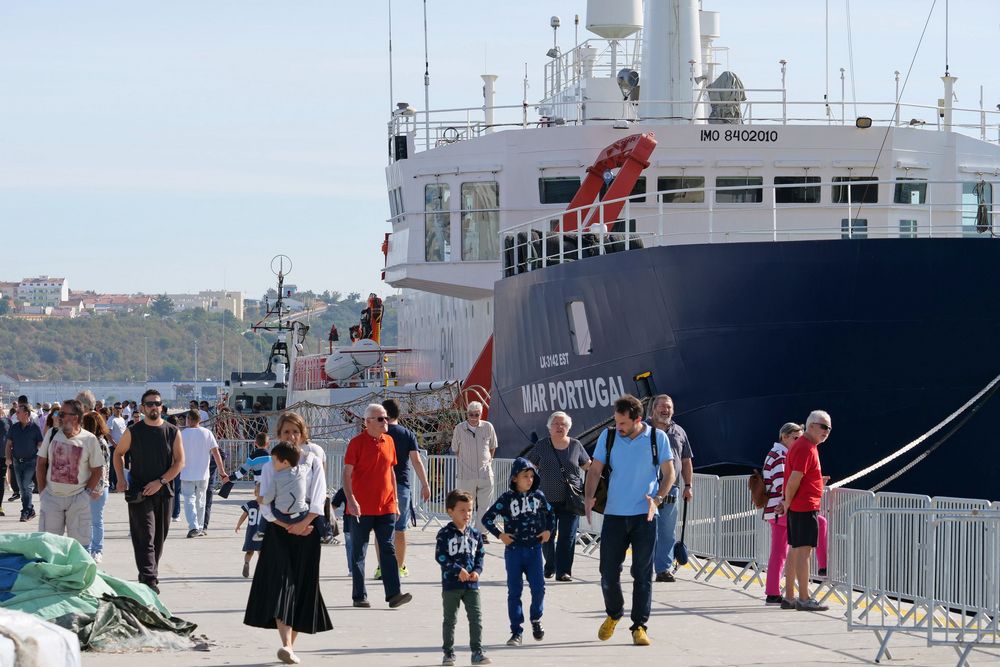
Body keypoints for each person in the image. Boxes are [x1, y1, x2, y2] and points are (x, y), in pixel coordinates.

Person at [584, 395, 675, 647]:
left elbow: (669, 474)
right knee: (607, 571)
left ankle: (639, 626)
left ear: (637, 419)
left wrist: (657, 499)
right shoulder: (609, 437)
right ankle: (614, 613)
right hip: (614, 514)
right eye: (617, 421)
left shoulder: (658, 438)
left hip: (644, 515)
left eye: (623, 423)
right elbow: (595, 469)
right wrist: (588, 498)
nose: (618, 427)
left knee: (643, 573)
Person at [244, 411, 332, 665]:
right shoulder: (271, 463)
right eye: (286, 432)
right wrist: (285, 524)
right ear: (278, 436)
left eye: (295, 431)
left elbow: (318, 497)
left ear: (303, 434)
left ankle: (290, 646)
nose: (291, 436)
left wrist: (304, 524)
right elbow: (265, 503)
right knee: (282, 585)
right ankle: (285, 644)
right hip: (278, 532)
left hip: (308, 531)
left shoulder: (313, 461)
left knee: (303, 587)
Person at [113, 389, 185, 593]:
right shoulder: (134, 431)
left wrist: (160, 482)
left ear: (161, 406)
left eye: (157, 403)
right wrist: (120, 479)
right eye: (150, 404)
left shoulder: (172, 431)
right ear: (142, 407)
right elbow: (118, 453)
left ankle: (147, 572)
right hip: (139, 492)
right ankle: (149, 580)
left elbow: (180, 462)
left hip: (163, 491)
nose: (154, 407)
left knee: (158, 539)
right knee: (145, 535)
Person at [343, 403, 413, 609]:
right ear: (367, 422)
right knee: (359, 552)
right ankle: (359, 596)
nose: (386, 421)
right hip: (361, 507)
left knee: (388, 549)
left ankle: (394, 594)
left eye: (386, 417)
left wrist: (396, 501)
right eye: (380, 418)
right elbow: (347, 474)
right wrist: (351, 500)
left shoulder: (389, 441)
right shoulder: (356, 443)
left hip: (386, 506)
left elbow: (391, 471)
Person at [482, 457, 555, 646]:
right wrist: (500, 535)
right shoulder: (506, 499)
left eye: (532, 476)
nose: (529, 480)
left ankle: (536, 619)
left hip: (534, 550)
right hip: (514, 551)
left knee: (539, 589)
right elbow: (487, 518)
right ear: (515, 478)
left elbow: (551, 514)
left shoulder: (538, 496)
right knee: (515, 592)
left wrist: (548, 531)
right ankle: (516, 631)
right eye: (525, 476)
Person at [776, 410, 832, 612]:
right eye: (824, 426)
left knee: (794, 550)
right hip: (804, 506)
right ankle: (804, 598)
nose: (827, 431)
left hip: (799, 505)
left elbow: (797, 476)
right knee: (804, 552)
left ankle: (790, 596)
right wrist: (788, 502)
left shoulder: (802, 446)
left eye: (829, 428)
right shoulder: (806, 447)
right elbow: (794, 479)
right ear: (811, 426)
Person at [525, 411, 591, 581]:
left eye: (563, 424)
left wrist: (590, 491)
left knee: (567, 537)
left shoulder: (576, 446)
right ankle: (551, 564)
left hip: (572, 500)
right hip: (546, 500)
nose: (560, 427)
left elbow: (589, 468)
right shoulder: (542, 446)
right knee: (547, 535)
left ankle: (563, 571)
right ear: (549, 428)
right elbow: (529, 468)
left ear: (568, 427)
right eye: (556, 424)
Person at [36, 399, 104, 550]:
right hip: (52, 499)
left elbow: (97, 469)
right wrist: (42, 493)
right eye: (58, 413)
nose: (59, 417)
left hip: (78, 500)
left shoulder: (89, 439)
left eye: (62, 414)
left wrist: (86, 494)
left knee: (81, 548)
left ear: (75, 417)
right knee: (49, 547)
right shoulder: (52, 434)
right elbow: (40, 463)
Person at [436, 489, 490, 666]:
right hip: (452, 585)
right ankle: (448, 652)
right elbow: (441, 556)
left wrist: (477, 571)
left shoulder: (475, 534)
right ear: (450, 511)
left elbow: (480, 555)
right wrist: (457, 569)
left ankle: (477, 651)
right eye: (462, 510)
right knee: (450, 620)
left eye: (469, 510)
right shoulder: (444, 534)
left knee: (476, 618)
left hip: (472, 586)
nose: (467, 514)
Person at [381, 398, 431, 578]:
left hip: (380, 485)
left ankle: (382, 567)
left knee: (382, 528)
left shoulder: (379, 433)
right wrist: (425, 485)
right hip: (402, 484)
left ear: (384, 415)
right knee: (400, 528)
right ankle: (400, 567)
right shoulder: (407, 434)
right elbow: (416, 461)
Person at [647, 394, 695, 582]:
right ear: (654, 409)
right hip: (646, 488)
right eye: (662, 406)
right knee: (645, 529)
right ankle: (642, 567)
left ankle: (663, 569)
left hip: (671, 488)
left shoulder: (679, 431)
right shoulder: (642, 429)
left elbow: (686, 460)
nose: (665, 410)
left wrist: (688, 485)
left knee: (667, 530)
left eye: (669, 407)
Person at [450, 402, 497, 540]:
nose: (474, 417)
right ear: (467, 414)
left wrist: (488, 461)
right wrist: (465, 462)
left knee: (485, 506)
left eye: (477, 415)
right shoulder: (459, 429)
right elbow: (455, 449)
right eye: (471, 414)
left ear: (481, 414)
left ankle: (482, 533)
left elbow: (493, 447)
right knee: (464, 505)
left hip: (485, 473)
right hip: (466, 475)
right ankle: (465, 531)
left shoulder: (488, 427)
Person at [179, 409, 229, 538]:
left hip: (186, 472)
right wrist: (222, 472)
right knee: (201, 499)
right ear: (200, 420)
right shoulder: (207, 433)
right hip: (203, 473)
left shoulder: (182, 434)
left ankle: (193, 526)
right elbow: (216, 454)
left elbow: (176, 454)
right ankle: (200, 527)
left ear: (188, 419)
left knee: (189, 499)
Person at [81, 411, 112, 563]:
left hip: (97, 488)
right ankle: (86, 550)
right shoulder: (87, 441)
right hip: (86, 487)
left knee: (96, 520)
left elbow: (103, 468)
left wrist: (97, 489)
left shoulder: (100, 442)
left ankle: (97, 550)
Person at [5, 403, 44, 521]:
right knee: (22, 488)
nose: (16, 414)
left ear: (26, 414)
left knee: (26, 486)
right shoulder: (14, 427)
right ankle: (30, 509)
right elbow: (8, 444)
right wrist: (8, 458)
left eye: (18, 412)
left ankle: (25, 512)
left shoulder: (35, 428)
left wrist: (39, 459)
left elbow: (40, 444)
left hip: (30, 462)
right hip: (17, 462)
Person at [262, 441, 310, 525]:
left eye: (274, 461)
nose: (272, 464)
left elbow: (269, 497)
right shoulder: (301, 470)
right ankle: (325, 532)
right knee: (313, 505)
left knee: (267, 506)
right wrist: (308, 455)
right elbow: (308, 464)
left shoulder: (276, 477)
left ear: (285, 462)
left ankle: (261, 530)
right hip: (300, 515)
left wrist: (262, 501)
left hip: (281, 515)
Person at [236, 492, 264, 578]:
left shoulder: (250, 504)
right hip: (261, 531)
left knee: (250, 551)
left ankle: (246, 563)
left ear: (255, 493)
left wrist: (238, 525)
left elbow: (243, 516)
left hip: (251, 531)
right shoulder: (266, 505)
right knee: (261, 551)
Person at [107, 403, 128, 490]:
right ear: (113, 409)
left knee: (121, 466)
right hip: (114, 447)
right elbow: (108, 433)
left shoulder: (122, 419)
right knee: (113, 466)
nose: (118, 409)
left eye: (120, 408)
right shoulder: (111, 420)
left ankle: (119, 483)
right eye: (116, 408)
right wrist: (114, 444)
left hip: (122, 446)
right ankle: (111, 484)